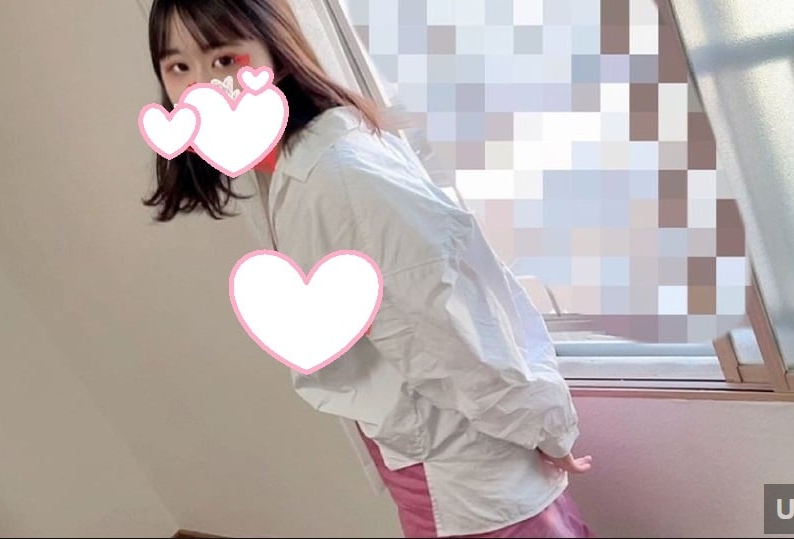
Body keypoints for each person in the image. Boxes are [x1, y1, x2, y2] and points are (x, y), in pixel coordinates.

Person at [144, 1, 595, 537]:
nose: (202, 89)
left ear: (277, 57)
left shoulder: (341, 176)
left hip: (468, 468)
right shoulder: (293, 165)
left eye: (224, 60)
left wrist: (546, 429)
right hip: (436, 460)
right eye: (179, 67)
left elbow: (450, 329)